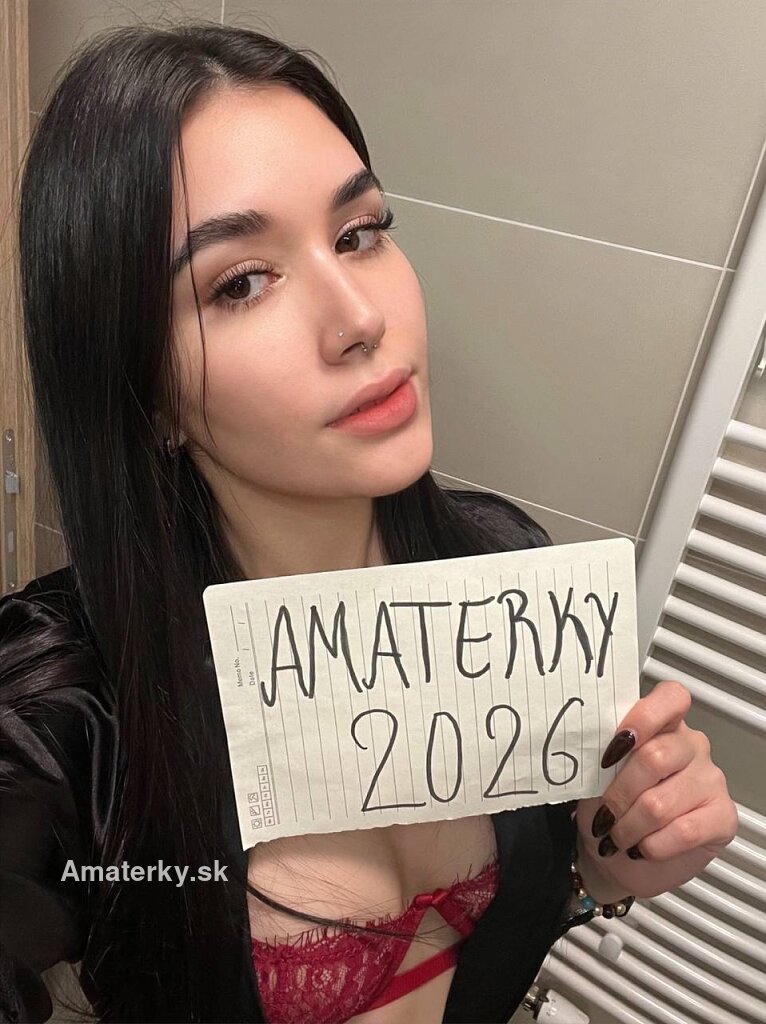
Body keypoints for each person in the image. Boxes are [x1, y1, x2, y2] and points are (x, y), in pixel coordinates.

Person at [0, 21, 737, 1024]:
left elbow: (533, 904)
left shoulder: (499, 565)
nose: (360, 318)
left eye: (359, 233)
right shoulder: (62, 711)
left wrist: (607, 868)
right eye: (240, 281)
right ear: (146, 391)